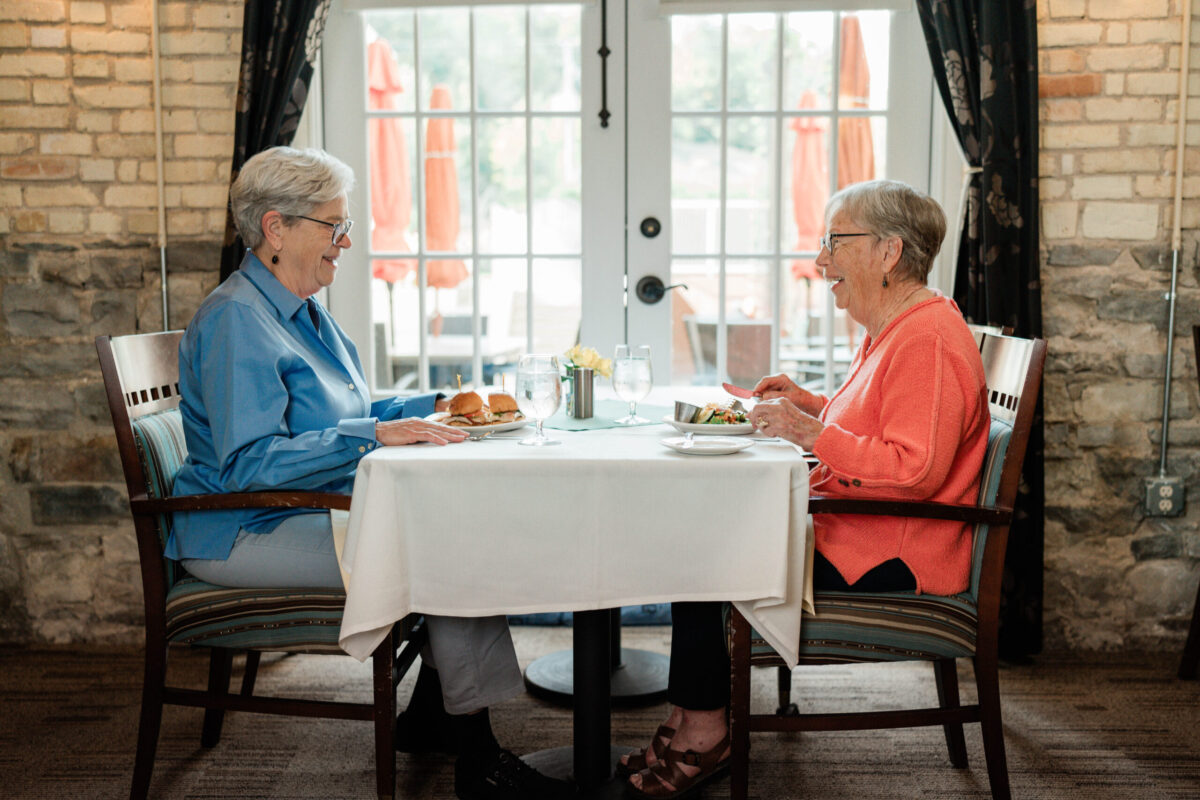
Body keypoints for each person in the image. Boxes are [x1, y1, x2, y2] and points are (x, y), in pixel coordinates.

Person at [169, 146, 570, 800]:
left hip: (299, 508)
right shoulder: (237, 320)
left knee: (454, 527)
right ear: (277, 227)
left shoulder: (299, 311)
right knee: (441, 543)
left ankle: (432, 718)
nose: (346, 240)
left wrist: (430, 408)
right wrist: (374, 435)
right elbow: (248, 465)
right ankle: (476, 758)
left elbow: (347, 411)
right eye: (333, 226)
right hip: (240, 529)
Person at [622, 179, 990, 799]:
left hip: (895, 551)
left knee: (701, 550)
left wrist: (812, 433)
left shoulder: (925, 337)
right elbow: (878, 425)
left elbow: (914, 470)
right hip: (870, 529)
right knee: (697, 537)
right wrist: (810, 404)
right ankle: (691, 718)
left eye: (834, 243)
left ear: (888, 252)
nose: (821, 261)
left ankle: (706, 730)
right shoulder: (898, 327)